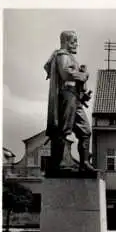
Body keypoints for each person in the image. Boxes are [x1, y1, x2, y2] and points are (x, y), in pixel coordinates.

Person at [44, 30, 96, 175]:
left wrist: (83, 94)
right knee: (62, 131)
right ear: (65, 42)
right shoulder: (62, 56)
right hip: (67, 98)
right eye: (73, 41)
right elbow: (66, 74)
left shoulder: (71, 58)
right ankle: (55, 165)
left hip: (75, 98)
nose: (76, 45)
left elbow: (73, 80)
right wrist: (84, 75)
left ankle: (84, 163)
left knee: (85, 131)